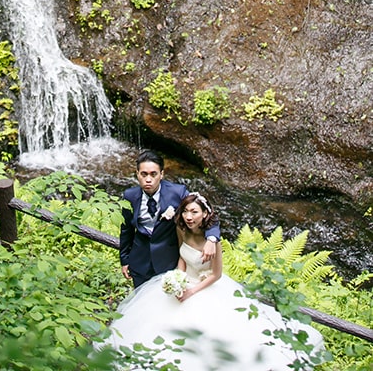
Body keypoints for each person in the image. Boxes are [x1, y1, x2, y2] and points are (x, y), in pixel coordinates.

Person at [108, 193, 327, 370]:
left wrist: (191, 291)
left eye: (194, 212)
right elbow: (182, 259)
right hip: (185, 283)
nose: (188, 216)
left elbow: (216, 275)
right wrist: (178, 279)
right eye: (185, 211)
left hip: (205, 286)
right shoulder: (182, 230)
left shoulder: (213, 241)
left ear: (205, 214)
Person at [119, 149, 220, 288]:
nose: (148, 179)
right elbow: (126, 229)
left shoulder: (177, 193)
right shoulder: (129, 196)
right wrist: (124, 260)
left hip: (168, 260)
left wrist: (211, 239)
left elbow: (205, 212)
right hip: (139, 261)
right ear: (137, 174)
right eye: (144, 174)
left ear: (161, 174)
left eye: (153, 174)